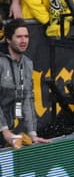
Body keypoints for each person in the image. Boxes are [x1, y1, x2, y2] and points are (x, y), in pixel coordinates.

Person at [1, 20, 51, 149]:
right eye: (19, 37)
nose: (24, 40)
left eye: (26, 36)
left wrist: (32, 133)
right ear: (8, 39)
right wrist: (5, 130)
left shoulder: (27, 64)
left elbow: (27, 99)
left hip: (6, 130)